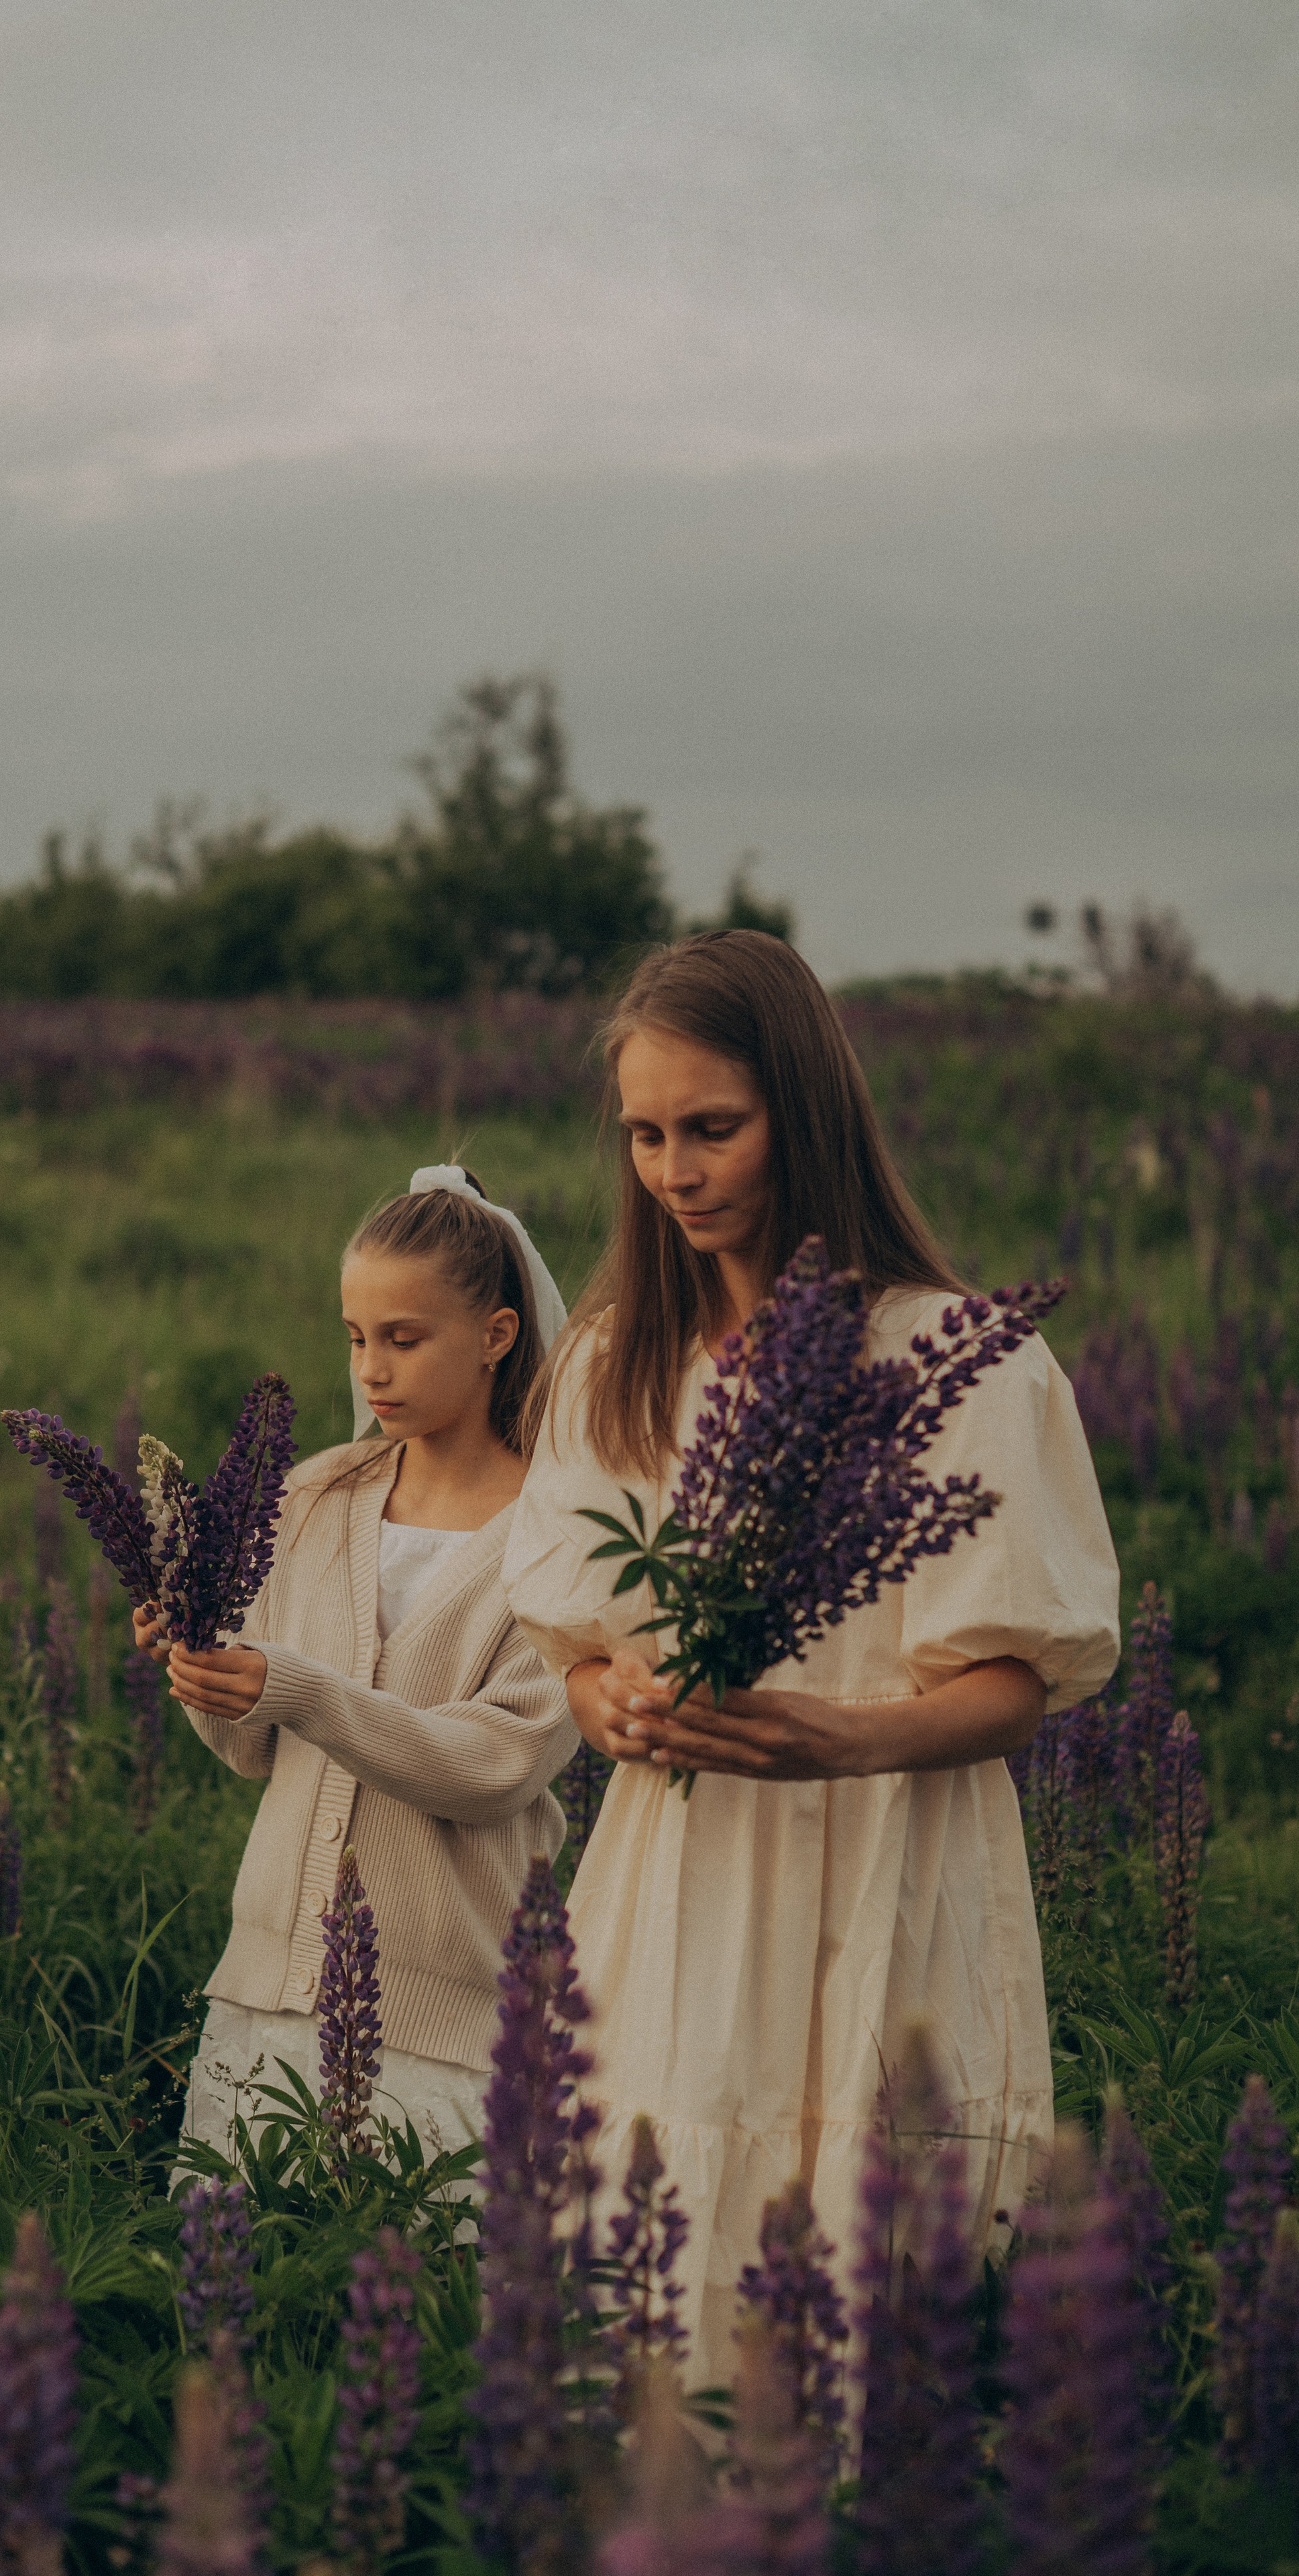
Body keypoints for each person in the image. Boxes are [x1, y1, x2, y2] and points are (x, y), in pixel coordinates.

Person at [502, 932, 1120, 2390]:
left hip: (885, 1868)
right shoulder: (614, 1361)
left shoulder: (958, 1359)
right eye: (645, 1134)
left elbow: (1017, 1682)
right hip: (677, 1881)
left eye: (711, 1128)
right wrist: (613, 1704)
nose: (673, 1170)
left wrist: (843, 1740)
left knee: (868, 2277)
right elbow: (577, 1650)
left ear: (805, 1109)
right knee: (650, 2247)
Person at [136, 1166, 575, 2162]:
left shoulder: (559, 1534)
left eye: (404, 1340)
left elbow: (496, 1767)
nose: (370, 1370)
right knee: (253, 2305)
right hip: (269, 1989)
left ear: (498, 1337)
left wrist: (292, 1682)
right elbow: (254, 1750)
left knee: (418, 2311)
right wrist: (201, 1663)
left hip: (449, 2023)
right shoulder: (315, 1497)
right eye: (356, 1338)